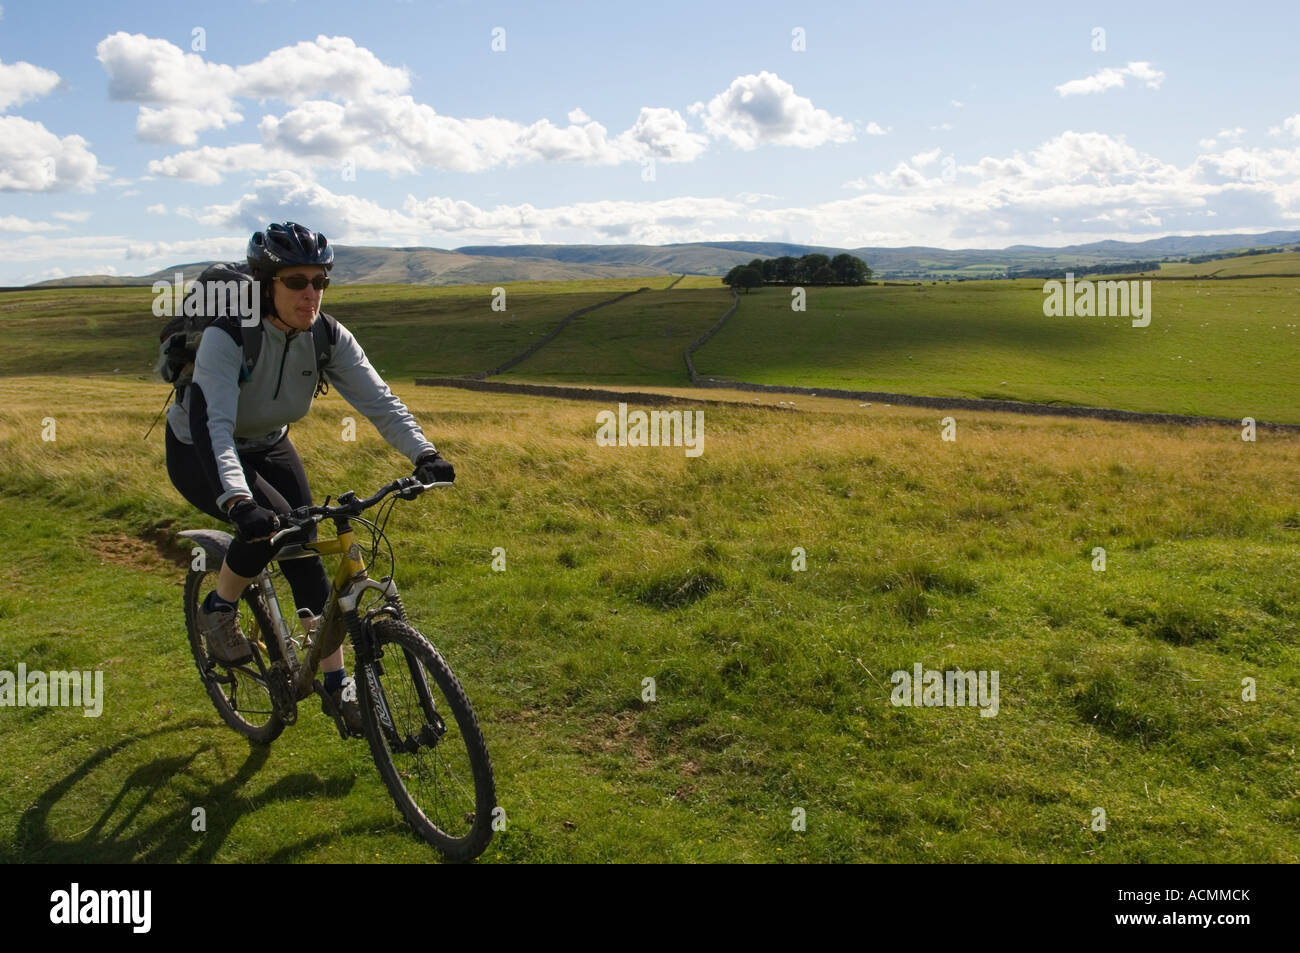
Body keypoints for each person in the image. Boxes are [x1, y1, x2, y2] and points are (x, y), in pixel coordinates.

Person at [165, 221, 453, 733]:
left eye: (320, 281)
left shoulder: (326, 334)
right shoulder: (227, 336)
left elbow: (378, 400)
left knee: (306, 553)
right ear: (265, 284)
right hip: (201, 447)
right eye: (296, 281)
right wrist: (237, 500)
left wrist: (423, 453)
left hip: (270, 440)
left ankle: (338, 689)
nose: (311, 293)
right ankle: (219, 607)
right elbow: (216, 428)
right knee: (270, 525)